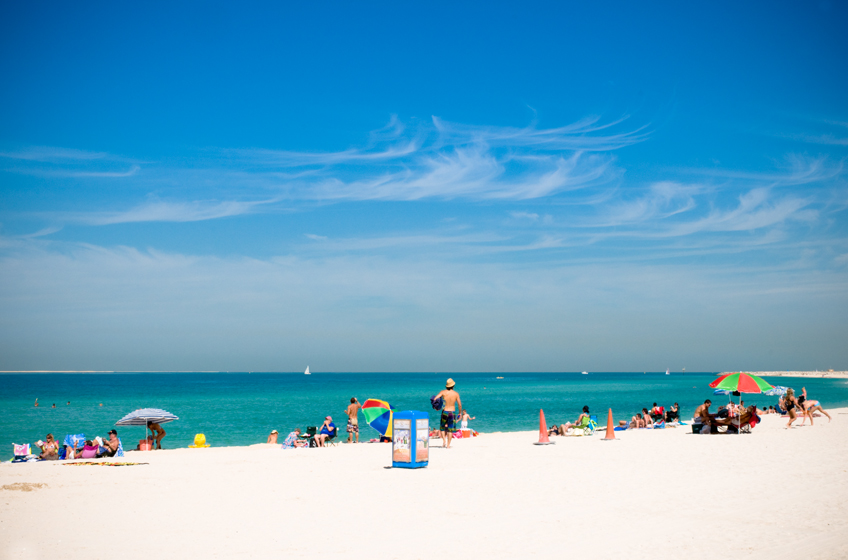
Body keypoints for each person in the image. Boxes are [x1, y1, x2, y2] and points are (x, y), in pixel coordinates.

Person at [433, 378, 462, 449]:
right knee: (450, 429)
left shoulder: (443, 392)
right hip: (452, 412)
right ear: (453, 386)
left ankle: (444, 441)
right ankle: (448, 445)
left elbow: (435, 399)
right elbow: (459, 405)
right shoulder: (456, 394)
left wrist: (437, 407)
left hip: (445, 411)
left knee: (442, 427)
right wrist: (460, 413)